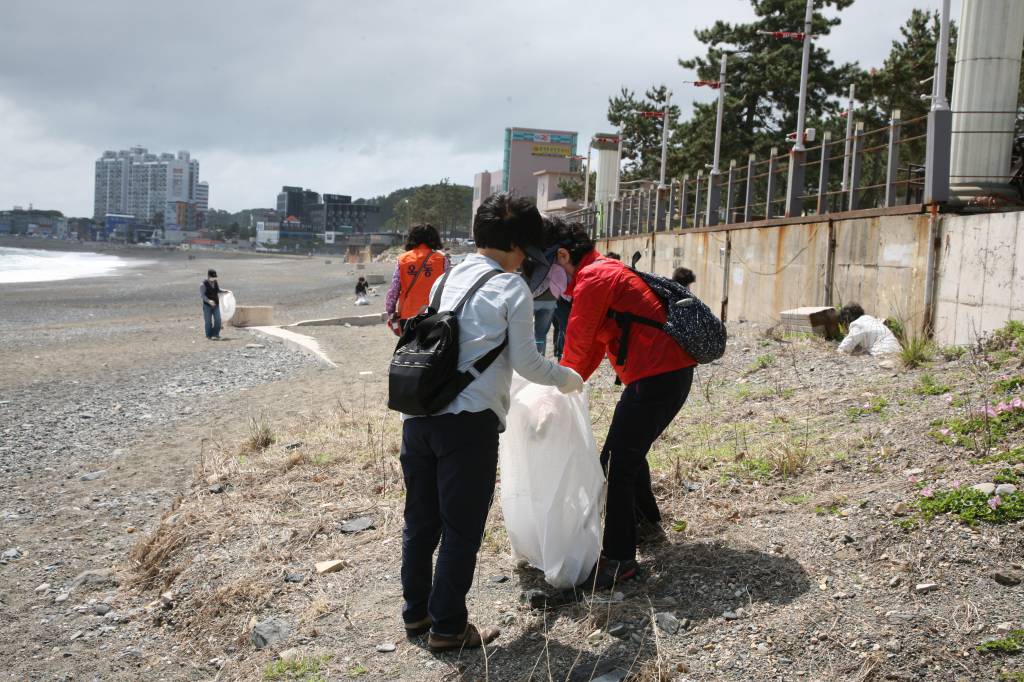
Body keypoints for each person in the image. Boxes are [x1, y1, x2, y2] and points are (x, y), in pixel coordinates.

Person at [399, 193, 583, 652]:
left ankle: (417, 613)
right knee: (461, 528)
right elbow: (528, 364)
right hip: (468, 425)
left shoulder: (447, 277)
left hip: (418, 415)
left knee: (421, 521)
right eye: (528, 250)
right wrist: (568, 378)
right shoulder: (510, 288)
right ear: (519, 245)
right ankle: (448, 627)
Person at [546, 221, 696, 590]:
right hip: (664, 374)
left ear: (562, 256)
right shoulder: (604, 271)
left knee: (615, 464)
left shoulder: (594, 278)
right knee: (627, 452)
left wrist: (555, 389)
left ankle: (619, 560)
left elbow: (578, 344)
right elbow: (593, 348)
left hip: (658, 376)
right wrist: (568, 385)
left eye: (545, 265)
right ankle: (645, 525)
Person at [385, 224, 449, 334]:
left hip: (408, 316)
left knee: (409, 344)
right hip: (435, 316)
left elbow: (393, 291)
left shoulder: (403, 260)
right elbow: (448, 287)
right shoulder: (442, 260)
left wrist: (390, 312)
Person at [526, 216, 570, 354]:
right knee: (540, 335)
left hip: (529, 298)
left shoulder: (530, 252)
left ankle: (528, 359)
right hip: (550, 300)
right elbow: (562, 278)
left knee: (523, 333)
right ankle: (540, 357)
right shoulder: (558, 253)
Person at [837, 304, 902, 356]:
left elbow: (843, 348)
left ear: (845, 323)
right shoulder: (871, 320)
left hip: (883, 352)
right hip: (897, 351)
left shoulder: (858, 324)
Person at [200, 269, 230, 340]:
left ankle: (216, 334)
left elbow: (217, 290)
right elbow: (202, 295)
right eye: (212, 277)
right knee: (208, 321)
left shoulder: (215, 282)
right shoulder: (203, 284)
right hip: (207, 306)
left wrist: (225, 291)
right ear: (208, 276)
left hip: (216, 305)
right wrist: (209, 301)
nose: (214, 278)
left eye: (215, 277)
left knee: (218, 320)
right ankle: (208, 335)